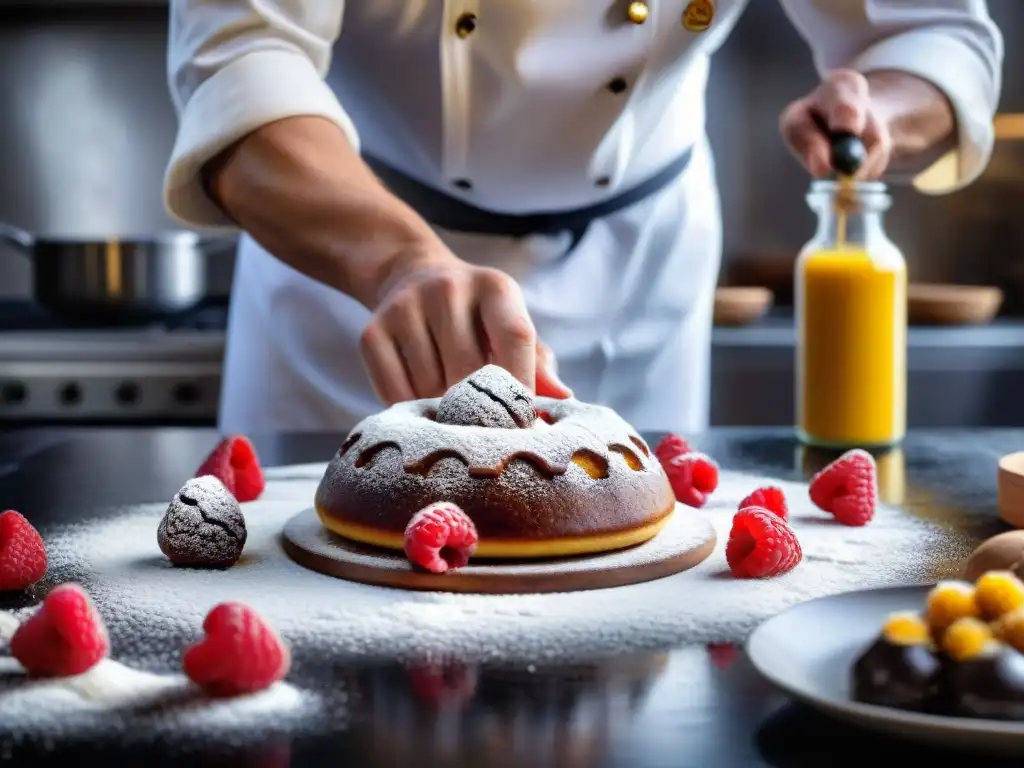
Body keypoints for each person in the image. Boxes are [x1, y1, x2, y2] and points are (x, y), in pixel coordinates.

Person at [163, 0, 1002, 435]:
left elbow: (934, 33)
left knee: (635, 635)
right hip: (350, 272)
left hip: (642, 269)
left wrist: (881, 106)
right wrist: (400, 264)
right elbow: (240, 68)